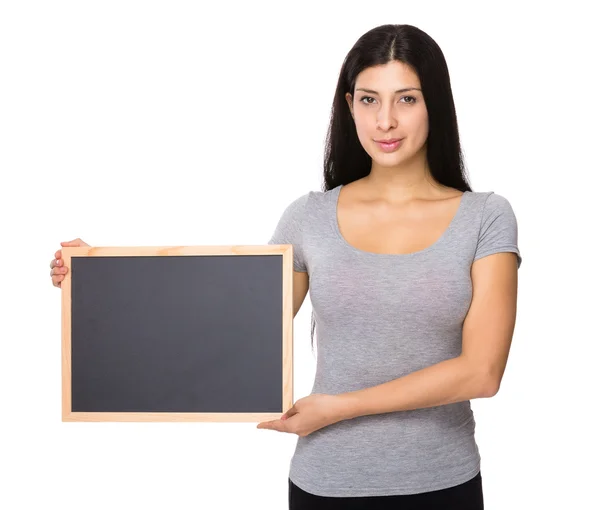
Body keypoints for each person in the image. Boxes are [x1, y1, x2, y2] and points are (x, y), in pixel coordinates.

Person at [50, 23, 521, 510]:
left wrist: (340, 407)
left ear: (435, 104)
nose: (385, 121)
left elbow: (481, 372)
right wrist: (101, 278)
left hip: (442, 485)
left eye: (406, 99)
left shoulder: (485, 217)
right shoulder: (309, 217)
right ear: (348, 106)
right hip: (325, 486)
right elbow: (231, 328)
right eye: (368, 100)